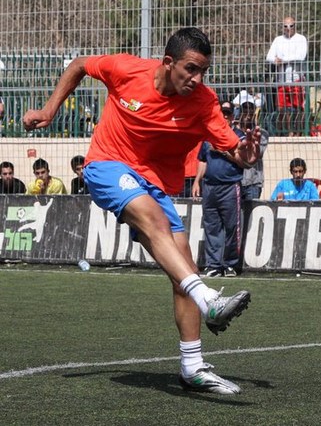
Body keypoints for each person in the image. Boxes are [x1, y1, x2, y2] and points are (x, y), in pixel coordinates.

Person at [22, 27, 261, 395]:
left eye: (203, 72)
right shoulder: (127, 69)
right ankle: (210, 300)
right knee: (153, 221)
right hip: (107, 165)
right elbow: (80, 64)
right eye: (191, 69)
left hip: (154, 182)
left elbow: (235, 152)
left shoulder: (204, 102)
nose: (197, 79)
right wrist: (49, 109)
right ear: (168, 63)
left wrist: (247, 155)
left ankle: (192, 366)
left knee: (182, 267)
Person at [192, 100, 247, 278]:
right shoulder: (209, 136)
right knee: (211, 227)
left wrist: (224, 151)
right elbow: (202, 159)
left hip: (230, 186)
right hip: (209, 186)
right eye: (222, 113)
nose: (224, 116)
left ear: (233, 116)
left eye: (228, 113)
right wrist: (197, 181)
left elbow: (243, 162)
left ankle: (230, 264)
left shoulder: (239, 137)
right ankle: (213, 265)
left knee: (232, 227)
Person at [266, 16, 307, 136]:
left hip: (296, 78)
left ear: (295, 26)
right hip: (281, 79)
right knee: (282, 109)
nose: (288, 28)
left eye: (291, 25)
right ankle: (288, 132)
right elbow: (269, 57)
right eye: (285, 26)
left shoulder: (301, 39)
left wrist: (282, 60)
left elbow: (300, 57)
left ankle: (299, 132)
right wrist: (275, 60)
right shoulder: (278, 40)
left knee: (299, 107)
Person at [239, 100, 269, 201]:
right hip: (236, 181)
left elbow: (258, 153)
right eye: (245, 113)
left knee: (251, 214)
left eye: (251, 114)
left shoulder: (261, 134)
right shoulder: (234, 132)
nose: (248, 116)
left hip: (253, 182)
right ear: (240, 114)